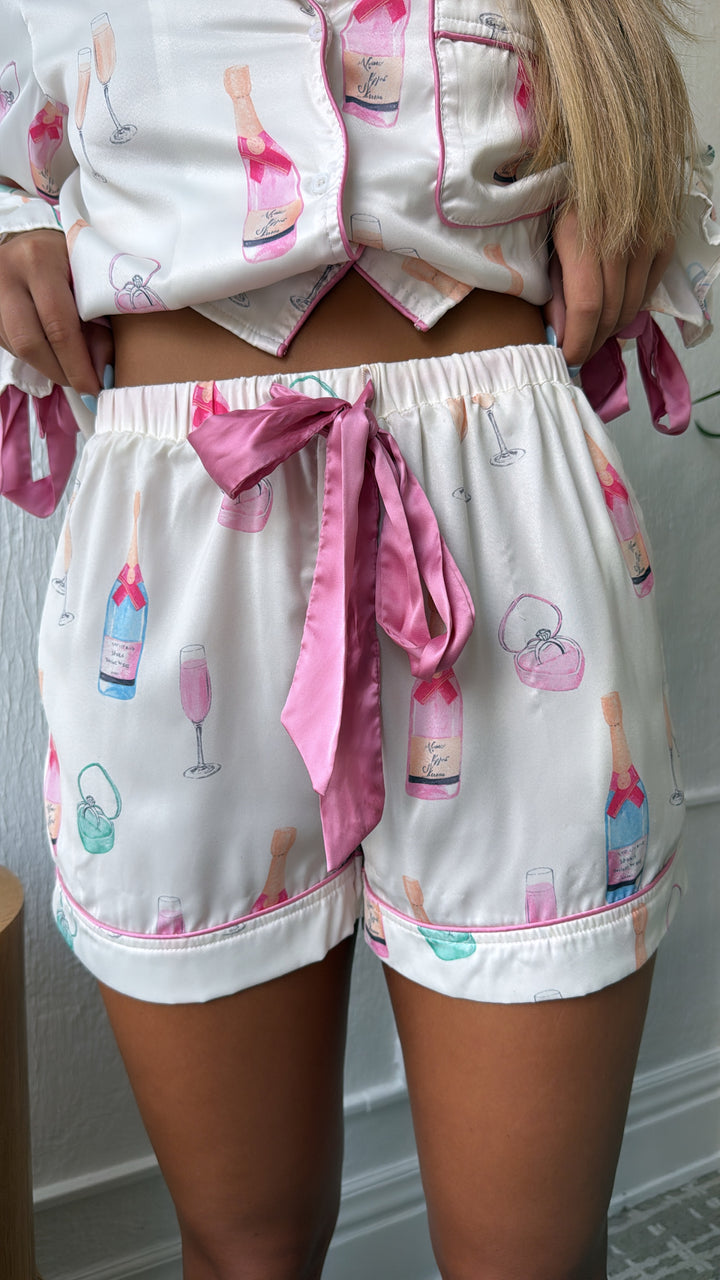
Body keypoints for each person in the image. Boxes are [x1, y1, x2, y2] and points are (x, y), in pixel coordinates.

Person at [0, 2, 717, 1277]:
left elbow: (663, 150)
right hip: (179, 537)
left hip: (507, 533)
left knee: (530, 1256)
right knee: (246, 1246)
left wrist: (641, 173)